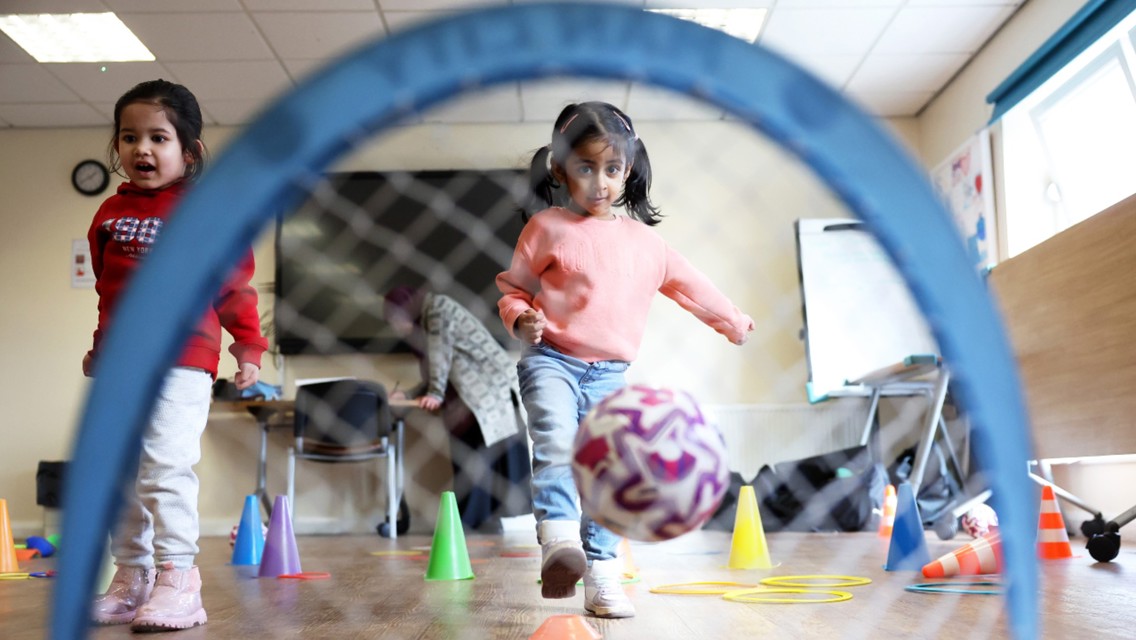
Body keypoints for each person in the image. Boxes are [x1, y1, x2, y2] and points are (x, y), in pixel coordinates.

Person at [496, 102, 754, 619]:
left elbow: (690, 286)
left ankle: (602, 575)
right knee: (555, 441)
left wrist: (732, 321)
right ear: (560, 169)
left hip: (611, 374)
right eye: (585, 168)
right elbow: (512, 291)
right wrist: (521, 319)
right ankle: (559, 543)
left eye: (611, 170)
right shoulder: (546, 228)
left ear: (628, 170)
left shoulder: (645, 242)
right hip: (552, 360)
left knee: (611, 472)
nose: (599, 183)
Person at [83, 79, 268, 631]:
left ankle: (178, 578)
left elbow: (235, 285)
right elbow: (107, 291)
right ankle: (132, 575)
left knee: (164, 467)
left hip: (182, 360)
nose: (142, 149)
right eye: (129, 137)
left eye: (158, 138)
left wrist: (249, 346)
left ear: (189, 152)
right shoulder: (108, 215)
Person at [383, 287, 532, 532]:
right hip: (469, 396)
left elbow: (440, 355)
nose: (396, 327)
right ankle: (477, 522)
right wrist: (411, 395)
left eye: (396, 319)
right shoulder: (427, 319)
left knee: (480, 457)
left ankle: (472, 522)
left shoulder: (437, 309)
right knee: (471, 457)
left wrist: (434, 394)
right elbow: (437, 369)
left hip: (488, 394)